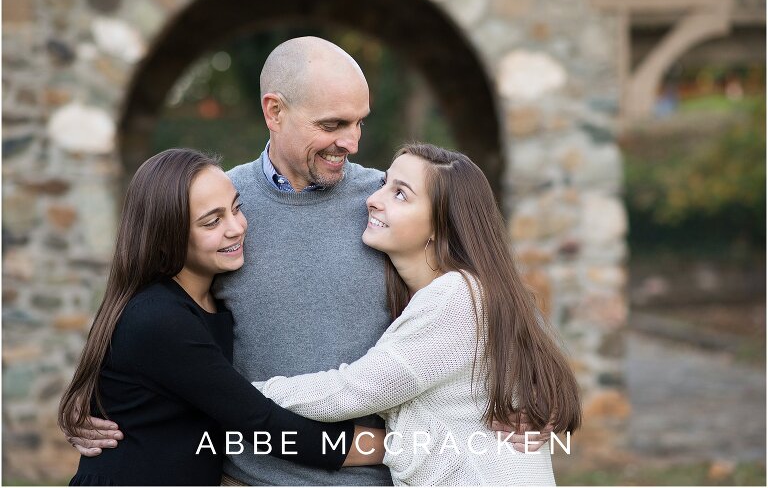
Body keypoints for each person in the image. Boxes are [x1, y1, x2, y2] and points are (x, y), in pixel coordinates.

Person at [67, 37, 552, 485]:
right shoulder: (217, 208)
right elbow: (146, 314)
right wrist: (98, 404)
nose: (352, 141)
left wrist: (538, 397)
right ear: (274, 111)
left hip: (373, 479)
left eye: (359, 121)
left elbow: (498, 304)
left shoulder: (387, 207)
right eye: (332, 124)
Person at [252, 143, 583, 485]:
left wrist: (234, 393)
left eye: (400, 195)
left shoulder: (456, 298)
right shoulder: (463, 293)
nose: (373, 200)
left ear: (443, 225)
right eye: (384, 184)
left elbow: (354, 392)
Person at [58, 148, 382, 486]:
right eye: (212, 221)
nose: (236, 228)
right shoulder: (158, 318)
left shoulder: (212, 299)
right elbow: (262, 425)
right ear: (166, 237)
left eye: (236, 208)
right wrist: (398, 444)